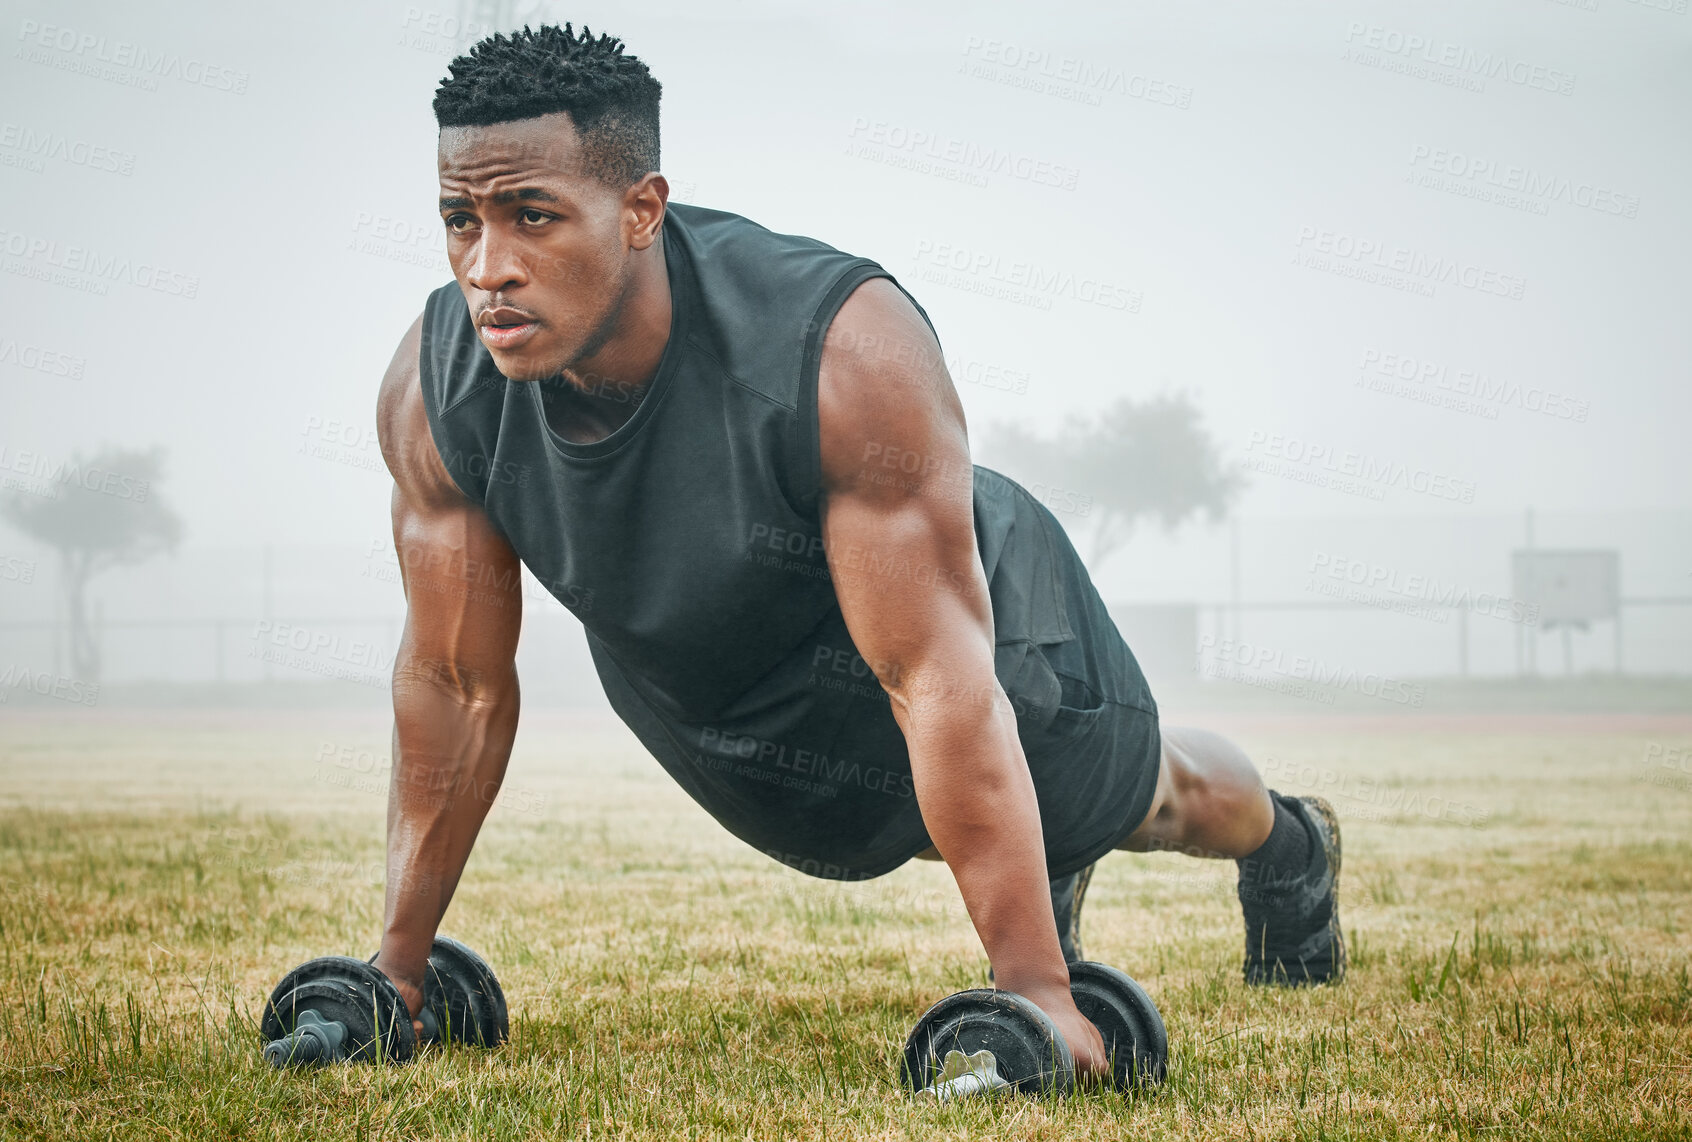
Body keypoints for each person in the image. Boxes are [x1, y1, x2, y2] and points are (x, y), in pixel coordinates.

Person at [370, 23, 1343, 1081]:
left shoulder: (842, 350)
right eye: (459, 220)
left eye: (532, 216)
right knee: (952, 821)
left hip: (979, 645)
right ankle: (1034, 872)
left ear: (643, 210)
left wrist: (1038, 994)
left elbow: (933, 679)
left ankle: (1288, 844)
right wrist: (397, 971)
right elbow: (453, 684)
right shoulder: (437, 388)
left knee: (1160, 799)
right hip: (734, 709)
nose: (488, 267)